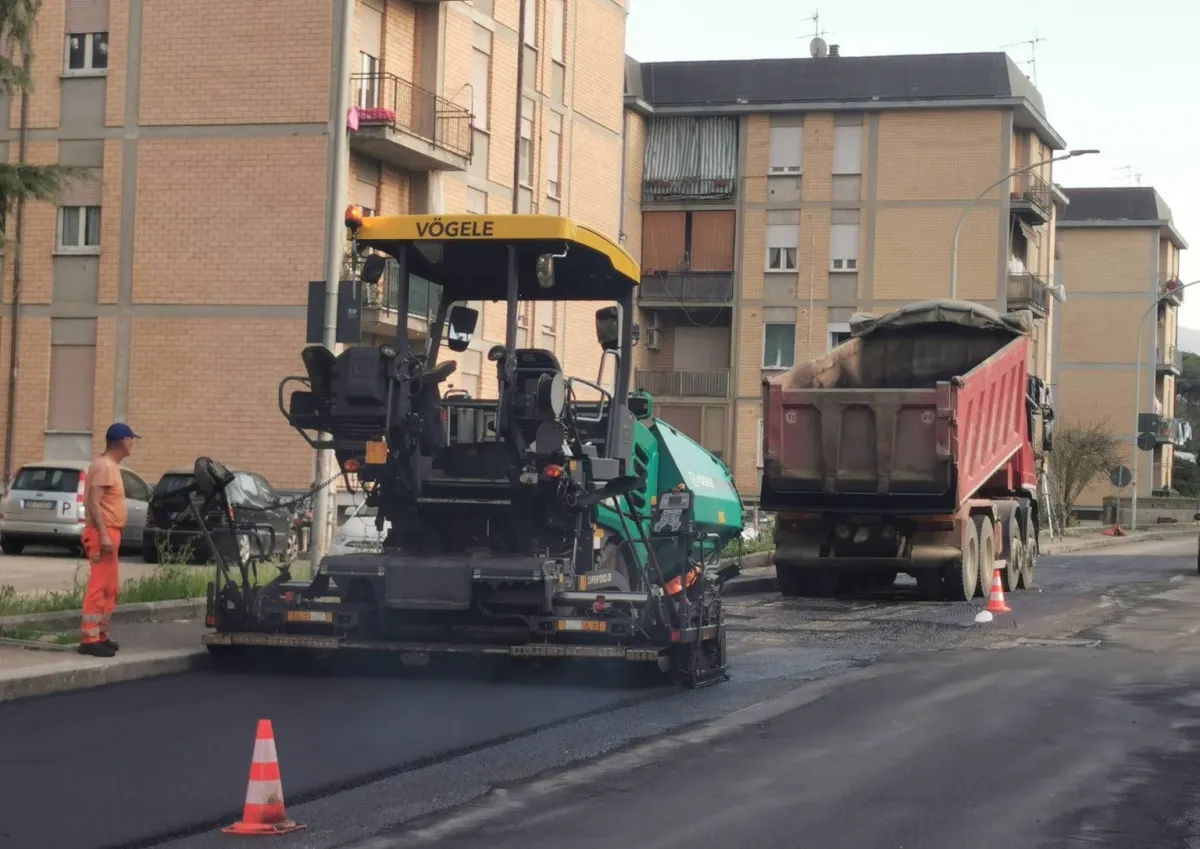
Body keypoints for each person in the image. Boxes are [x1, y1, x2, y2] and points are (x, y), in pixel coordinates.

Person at [78, 422, 140, 657]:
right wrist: (104, 534)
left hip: (110, 531)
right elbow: (94, 502)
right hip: (103, 533)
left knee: (110, 587)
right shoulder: (105, 466)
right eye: (132, 440)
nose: (133, 444)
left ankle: (101, 635)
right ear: (123, 442)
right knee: (99, 586)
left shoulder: (109, 466)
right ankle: (90, 639)